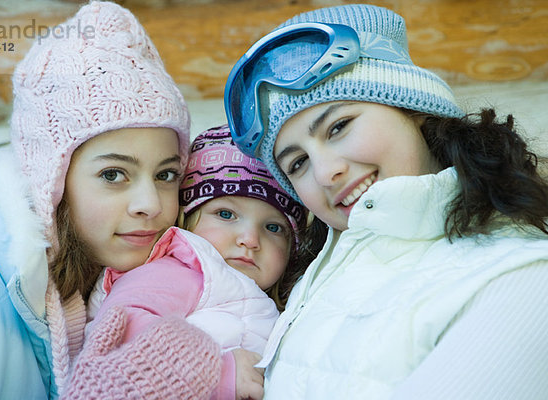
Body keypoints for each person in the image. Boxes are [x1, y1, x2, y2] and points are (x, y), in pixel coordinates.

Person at [224, 4, 548, 399]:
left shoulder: (520, 279)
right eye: (298, 162)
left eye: (339, 126)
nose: (325, 173)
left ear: (413, 108)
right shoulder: (317, 278)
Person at [0, 2, 235, 399]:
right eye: (113, 175)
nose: (150, 204)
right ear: (51, 178)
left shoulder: (166, 293)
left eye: (165, 174)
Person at [76, 125, 307, 399]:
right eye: (225, 214)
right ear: (188, 217)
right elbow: (123, 330)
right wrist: (221, 373)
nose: (250, 239)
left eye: (273, 228)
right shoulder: (175, 272)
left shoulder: (281, 307)